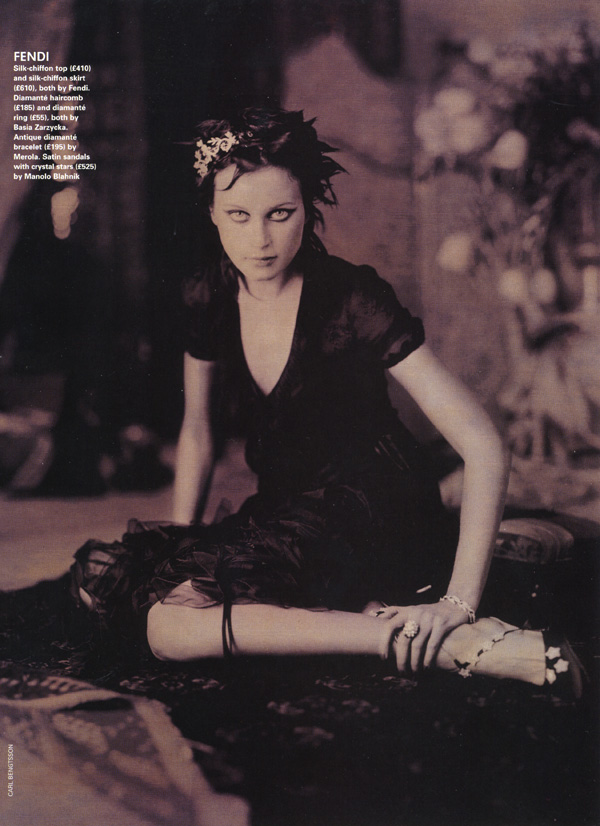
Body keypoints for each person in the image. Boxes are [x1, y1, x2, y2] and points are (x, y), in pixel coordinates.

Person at [73, 107, 581, 695]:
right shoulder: (209, 293)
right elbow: (197, 432)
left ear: (309, 208)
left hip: (376, 504)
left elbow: (485, 445)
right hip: (287, 507)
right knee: (104, 583)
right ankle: (399, 629)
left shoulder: (353, 298)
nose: (260, 240)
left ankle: (446, 641)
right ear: (211, 211)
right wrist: (184, 548)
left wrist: (458, 603)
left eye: (280, 214)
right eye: (238, 215)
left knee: (168, 627)